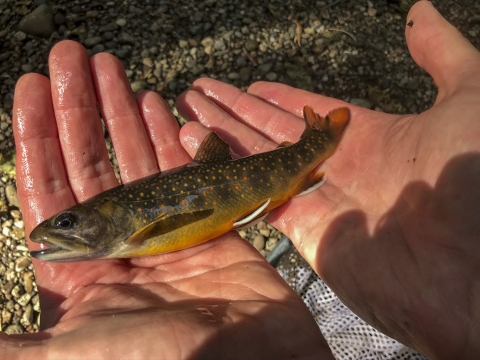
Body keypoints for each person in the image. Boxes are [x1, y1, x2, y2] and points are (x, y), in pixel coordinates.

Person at [2, 1, 479, 358]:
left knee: (304, 155)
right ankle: (316, 141)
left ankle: (320, 140)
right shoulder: (126, 232)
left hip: (257, 179)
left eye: (66, 222)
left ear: (100, 214)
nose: (52, 232)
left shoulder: (133, 233)